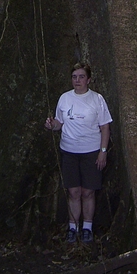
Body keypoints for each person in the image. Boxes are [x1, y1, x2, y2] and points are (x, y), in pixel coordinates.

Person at [45, 62, 112, 243]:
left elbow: (105, 127)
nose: (77, 80)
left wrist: (102, 152)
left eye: (81, 77)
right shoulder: (65, 98)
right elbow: (59, 123)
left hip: (91, 151)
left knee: (88, 192)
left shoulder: (97, 99)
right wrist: (52, 125)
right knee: (73, 192)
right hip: (69, 151)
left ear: (88, 79)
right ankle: (73, 227)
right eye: (74, 77)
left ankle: (87, 228)